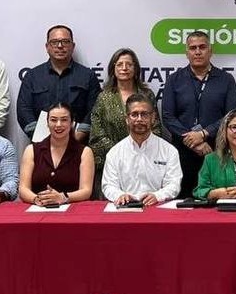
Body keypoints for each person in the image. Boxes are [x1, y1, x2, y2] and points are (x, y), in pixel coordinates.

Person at [162, 31, 236, 198]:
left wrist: (204, 133)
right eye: (193, 48)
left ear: (210, 51)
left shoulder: (226, 79)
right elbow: (168, 116)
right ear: (187, 53)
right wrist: (192, 141)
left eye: (202, 47)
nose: (197, 52)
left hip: (216, 151)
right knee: (183, 201)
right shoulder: (174, 80)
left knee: (216, 199)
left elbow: (231, 115)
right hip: (182, 153)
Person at [16, 25, 101, 142]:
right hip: (41, 144)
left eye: (65, 41)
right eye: (54, 42)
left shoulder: (88, 76)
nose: (60, 46)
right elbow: (24, 109)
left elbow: (95, 109)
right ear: (47, 47)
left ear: (73, 46)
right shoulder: (32, 76)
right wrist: (41, 138)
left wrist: (79, 135)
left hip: (78, 144)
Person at [89, 48, 161, 180]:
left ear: (135, 69)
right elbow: (97, 134)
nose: (124, 68)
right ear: (113, 69)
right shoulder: (104, 97)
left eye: (129, 64)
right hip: (112, 164)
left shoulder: (147, 95)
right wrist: (122, 153)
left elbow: (155, 128)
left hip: (144, 162)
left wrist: (138, 151)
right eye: (120, 64)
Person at [101, 93, 182, 206]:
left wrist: (157, 196)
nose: (139, 119)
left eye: (144, 114)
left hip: (157, 206)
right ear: (127, 119)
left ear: (153, 118)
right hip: (126, 207)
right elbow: (108, 185)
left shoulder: (169, 151)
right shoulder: (114, 152)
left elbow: (174, 184)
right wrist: (120, 195)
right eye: (134, 114)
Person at [19, 104, 95, 206]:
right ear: (47, 123)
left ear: (72, 123)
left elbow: (86, 191)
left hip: (73, 209)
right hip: (38, 208)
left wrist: (63, 197)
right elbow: (23, 189)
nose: (58, 125)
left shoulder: (84, 152)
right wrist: (37, 199)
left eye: (64, 120)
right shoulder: (31, 150)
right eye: (53, 120)